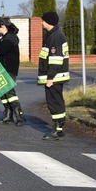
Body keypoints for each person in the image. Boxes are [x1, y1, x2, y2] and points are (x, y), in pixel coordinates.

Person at [39, 11, 69, 140]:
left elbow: (55, 59)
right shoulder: (54, 35)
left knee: (54, 102)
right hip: (56, 76)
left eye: (43, 21)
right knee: (55, 101)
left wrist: (50, 77)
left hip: (55, 77)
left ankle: (58, 129)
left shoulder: (55, 37)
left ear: (48, 22)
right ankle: (58, 128)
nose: (41, 23)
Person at [0, 17, 25, 126]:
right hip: (2, 69)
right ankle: (8, 114)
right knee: (3, 92)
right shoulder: (5, 37)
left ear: (3, 26)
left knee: (9, 92)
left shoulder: (10, 37)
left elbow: (2, 49)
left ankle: (19, 115)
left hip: (9, 69)